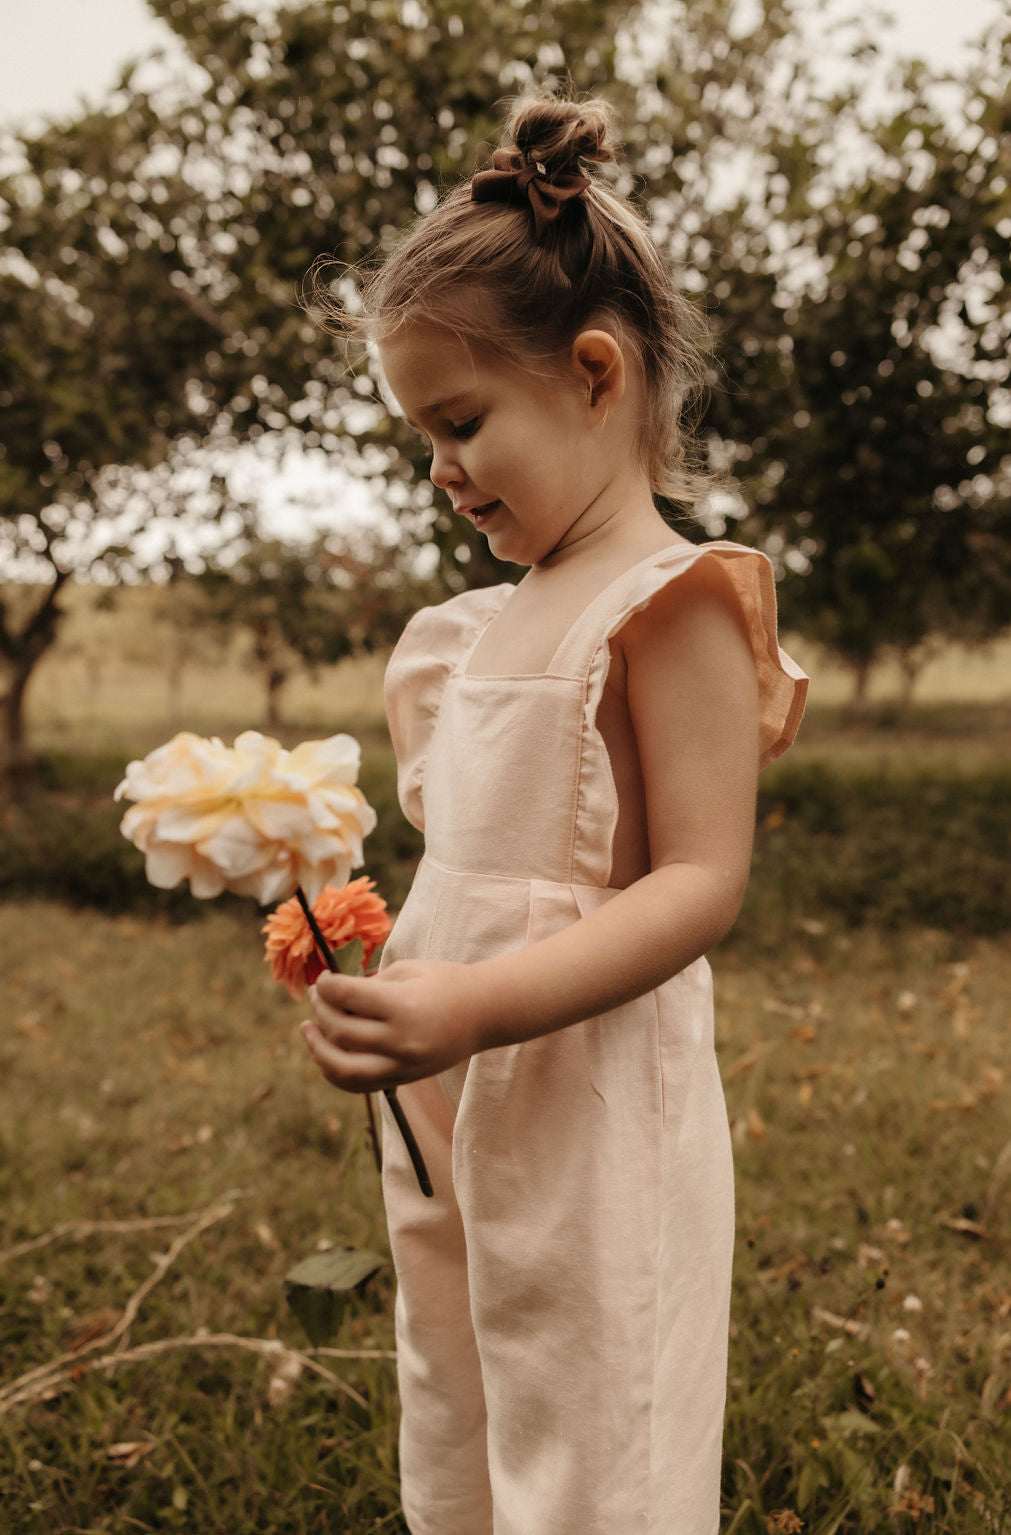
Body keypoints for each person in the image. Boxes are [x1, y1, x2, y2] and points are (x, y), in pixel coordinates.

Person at [299, 90, 808, 1535]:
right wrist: (385, 985)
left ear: (594, 374)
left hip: (587, 1097)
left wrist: (476, 1002)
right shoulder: (469, 633)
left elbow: (698, 882)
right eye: (422, 435)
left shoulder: (671, 603)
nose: (440, 469)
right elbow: (472, 863)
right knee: (465, 1380)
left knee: (593, 1411)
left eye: (462, 423)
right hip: (455, 1093)